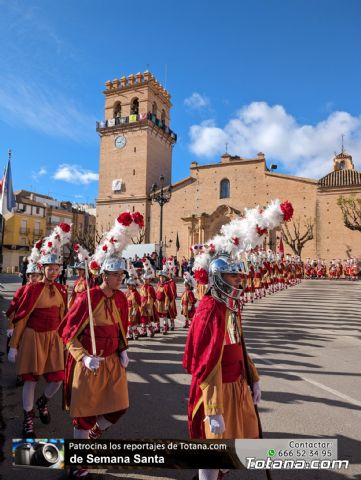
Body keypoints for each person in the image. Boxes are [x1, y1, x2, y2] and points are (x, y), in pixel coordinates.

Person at [183, 253, 261, 480]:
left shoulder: (230, 305)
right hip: (216, 390)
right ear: (218, 277)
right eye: (233, 275)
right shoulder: (209, 309)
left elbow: (239, 345)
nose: (239, 279)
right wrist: (214, 409)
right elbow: (206, 365)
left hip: (236, 386)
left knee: (237, 445)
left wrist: (253, 377)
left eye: (239, 274)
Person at [8, 250, 68, 437]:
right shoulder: (31, 289)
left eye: (56, 268)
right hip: (33, 338)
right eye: (50, 268)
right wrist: (13, 345)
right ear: (43, 269)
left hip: (53, 339)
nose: (53, 272)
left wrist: (65, 339)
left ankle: (42, 402)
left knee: (58, 378)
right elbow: (22, 318)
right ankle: (28, 419)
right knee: (30, 380)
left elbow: (63, 317)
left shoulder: (62, 290)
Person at [6, 262, 43, 387]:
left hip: (35, 329)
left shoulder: (42, 291)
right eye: (32, 275)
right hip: (22, 327)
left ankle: (32, 372)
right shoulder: (22, 290)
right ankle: (20, 375)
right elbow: (13, 309)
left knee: (33, 353)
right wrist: (11, 326)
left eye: (37, 275)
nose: (34, 278)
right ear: (28, 277)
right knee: (20, 352)